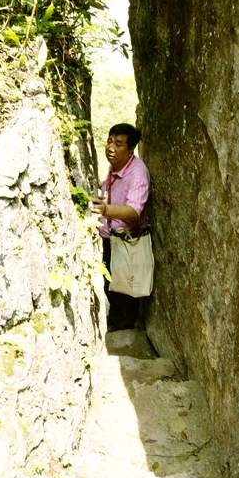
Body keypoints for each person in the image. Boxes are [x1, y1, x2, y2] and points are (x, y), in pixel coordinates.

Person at [90, 123, 150, 331]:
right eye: (109, 140)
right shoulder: (115, 166)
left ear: (130, 149)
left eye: (118, 143)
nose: (110, 147)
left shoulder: (138, 173)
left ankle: (124, 333)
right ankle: (115, 326)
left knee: (124, 294)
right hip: (109, 240)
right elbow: (108, 187)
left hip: (126, 244)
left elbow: (134, 213)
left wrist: (106, 210)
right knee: (111, 289)